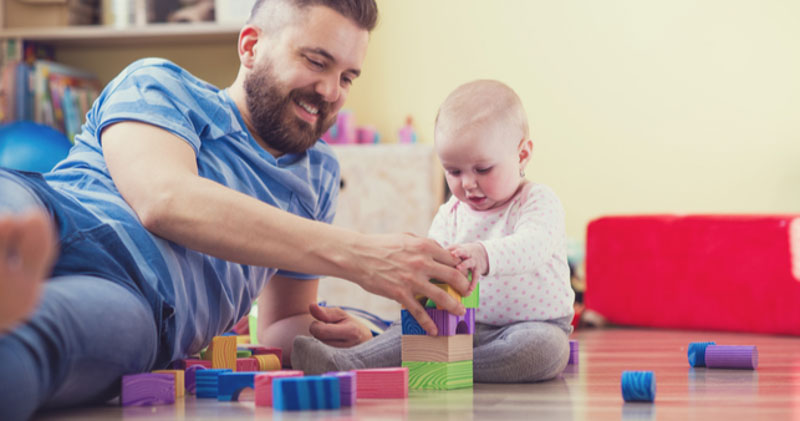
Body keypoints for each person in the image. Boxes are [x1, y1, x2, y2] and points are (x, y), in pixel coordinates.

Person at [0, 1, 470, 419]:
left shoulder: (318, 173)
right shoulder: (160, 83)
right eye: (316, 61)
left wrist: (360, 334)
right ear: (250, 46)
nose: (330, 91)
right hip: (54, 208)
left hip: (142, 302)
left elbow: (282, 324)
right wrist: (360, 254)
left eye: (347, 77)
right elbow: (164, 200)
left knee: (40, 341)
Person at [292, 80, 575, 382]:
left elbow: (533, 245)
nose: (467, 183)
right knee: (412, 325)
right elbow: (430, 262)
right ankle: (349, 362)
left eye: (482, 169)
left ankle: (447, 366)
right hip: (459, 323)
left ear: (521, 156)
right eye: (454, 171)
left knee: (543, 351)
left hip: (532, 325)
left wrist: (483, 255)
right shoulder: (450, 212)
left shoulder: (537, 201)